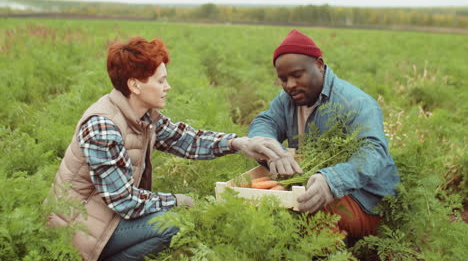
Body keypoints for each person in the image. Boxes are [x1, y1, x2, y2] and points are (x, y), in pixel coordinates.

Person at [47, 36, 297, 261]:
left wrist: (238, 143)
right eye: (161, 81)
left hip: (103, 217)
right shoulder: (104, 126)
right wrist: (180, 201)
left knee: (174, 216)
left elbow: (185, 140)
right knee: (176, 222)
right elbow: (124, 201)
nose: (168, 87)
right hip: (77, 227)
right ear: (135, 85)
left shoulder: (142, 115)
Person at [248, 29, 399, 239]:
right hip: (317, 185)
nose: (289, 85)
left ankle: (332, 251)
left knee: (307, 212)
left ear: (319, 65)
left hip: (365, 201)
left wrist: (331, 180)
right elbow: (267, 120)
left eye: (297, 75)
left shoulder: (355, 103)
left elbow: (374, 152)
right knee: (268, 203)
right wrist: (265, 142)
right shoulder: (287, 99)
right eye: (283, 79)